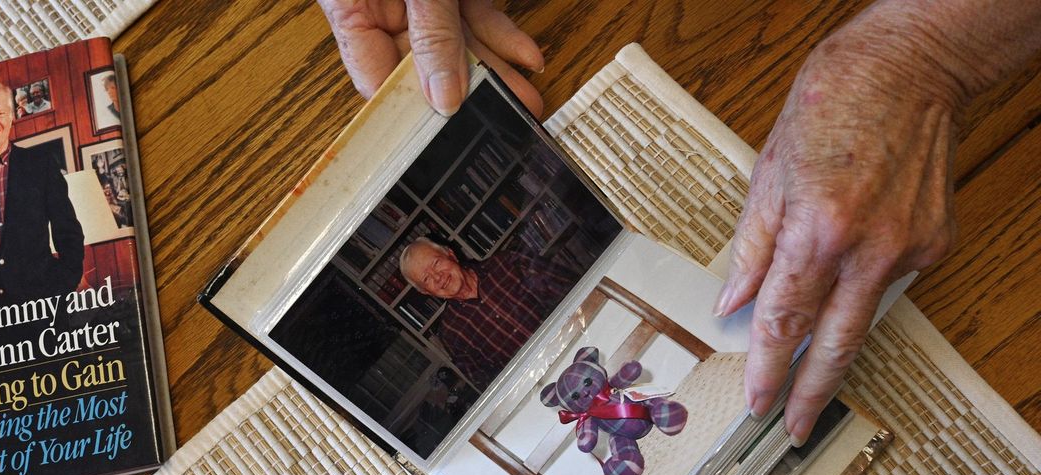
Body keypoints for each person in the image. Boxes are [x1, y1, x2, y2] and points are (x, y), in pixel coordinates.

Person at [318, 0, 1041, 445]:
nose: (442, 276)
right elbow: (495, 382)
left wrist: (926, 54)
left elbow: (575, 283)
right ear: (431, 296)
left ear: (449, 250)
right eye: (428, 282)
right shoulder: (455, 336)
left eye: (435, 261)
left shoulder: (508, 265)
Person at [0, 81, 84, 304]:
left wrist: (64, 282)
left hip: (44, 305)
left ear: (11, 117)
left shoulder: (41, 165)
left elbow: (67, 231)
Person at [400, 237, 577, 388]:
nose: (438, 277)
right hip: (542, 386)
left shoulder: (508, 263)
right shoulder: (452, 334)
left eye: (436, 263)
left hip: (579, 339)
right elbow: (491, 386)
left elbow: (572, 291)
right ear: (426, 292)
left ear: (450, 254)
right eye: (426, 279)